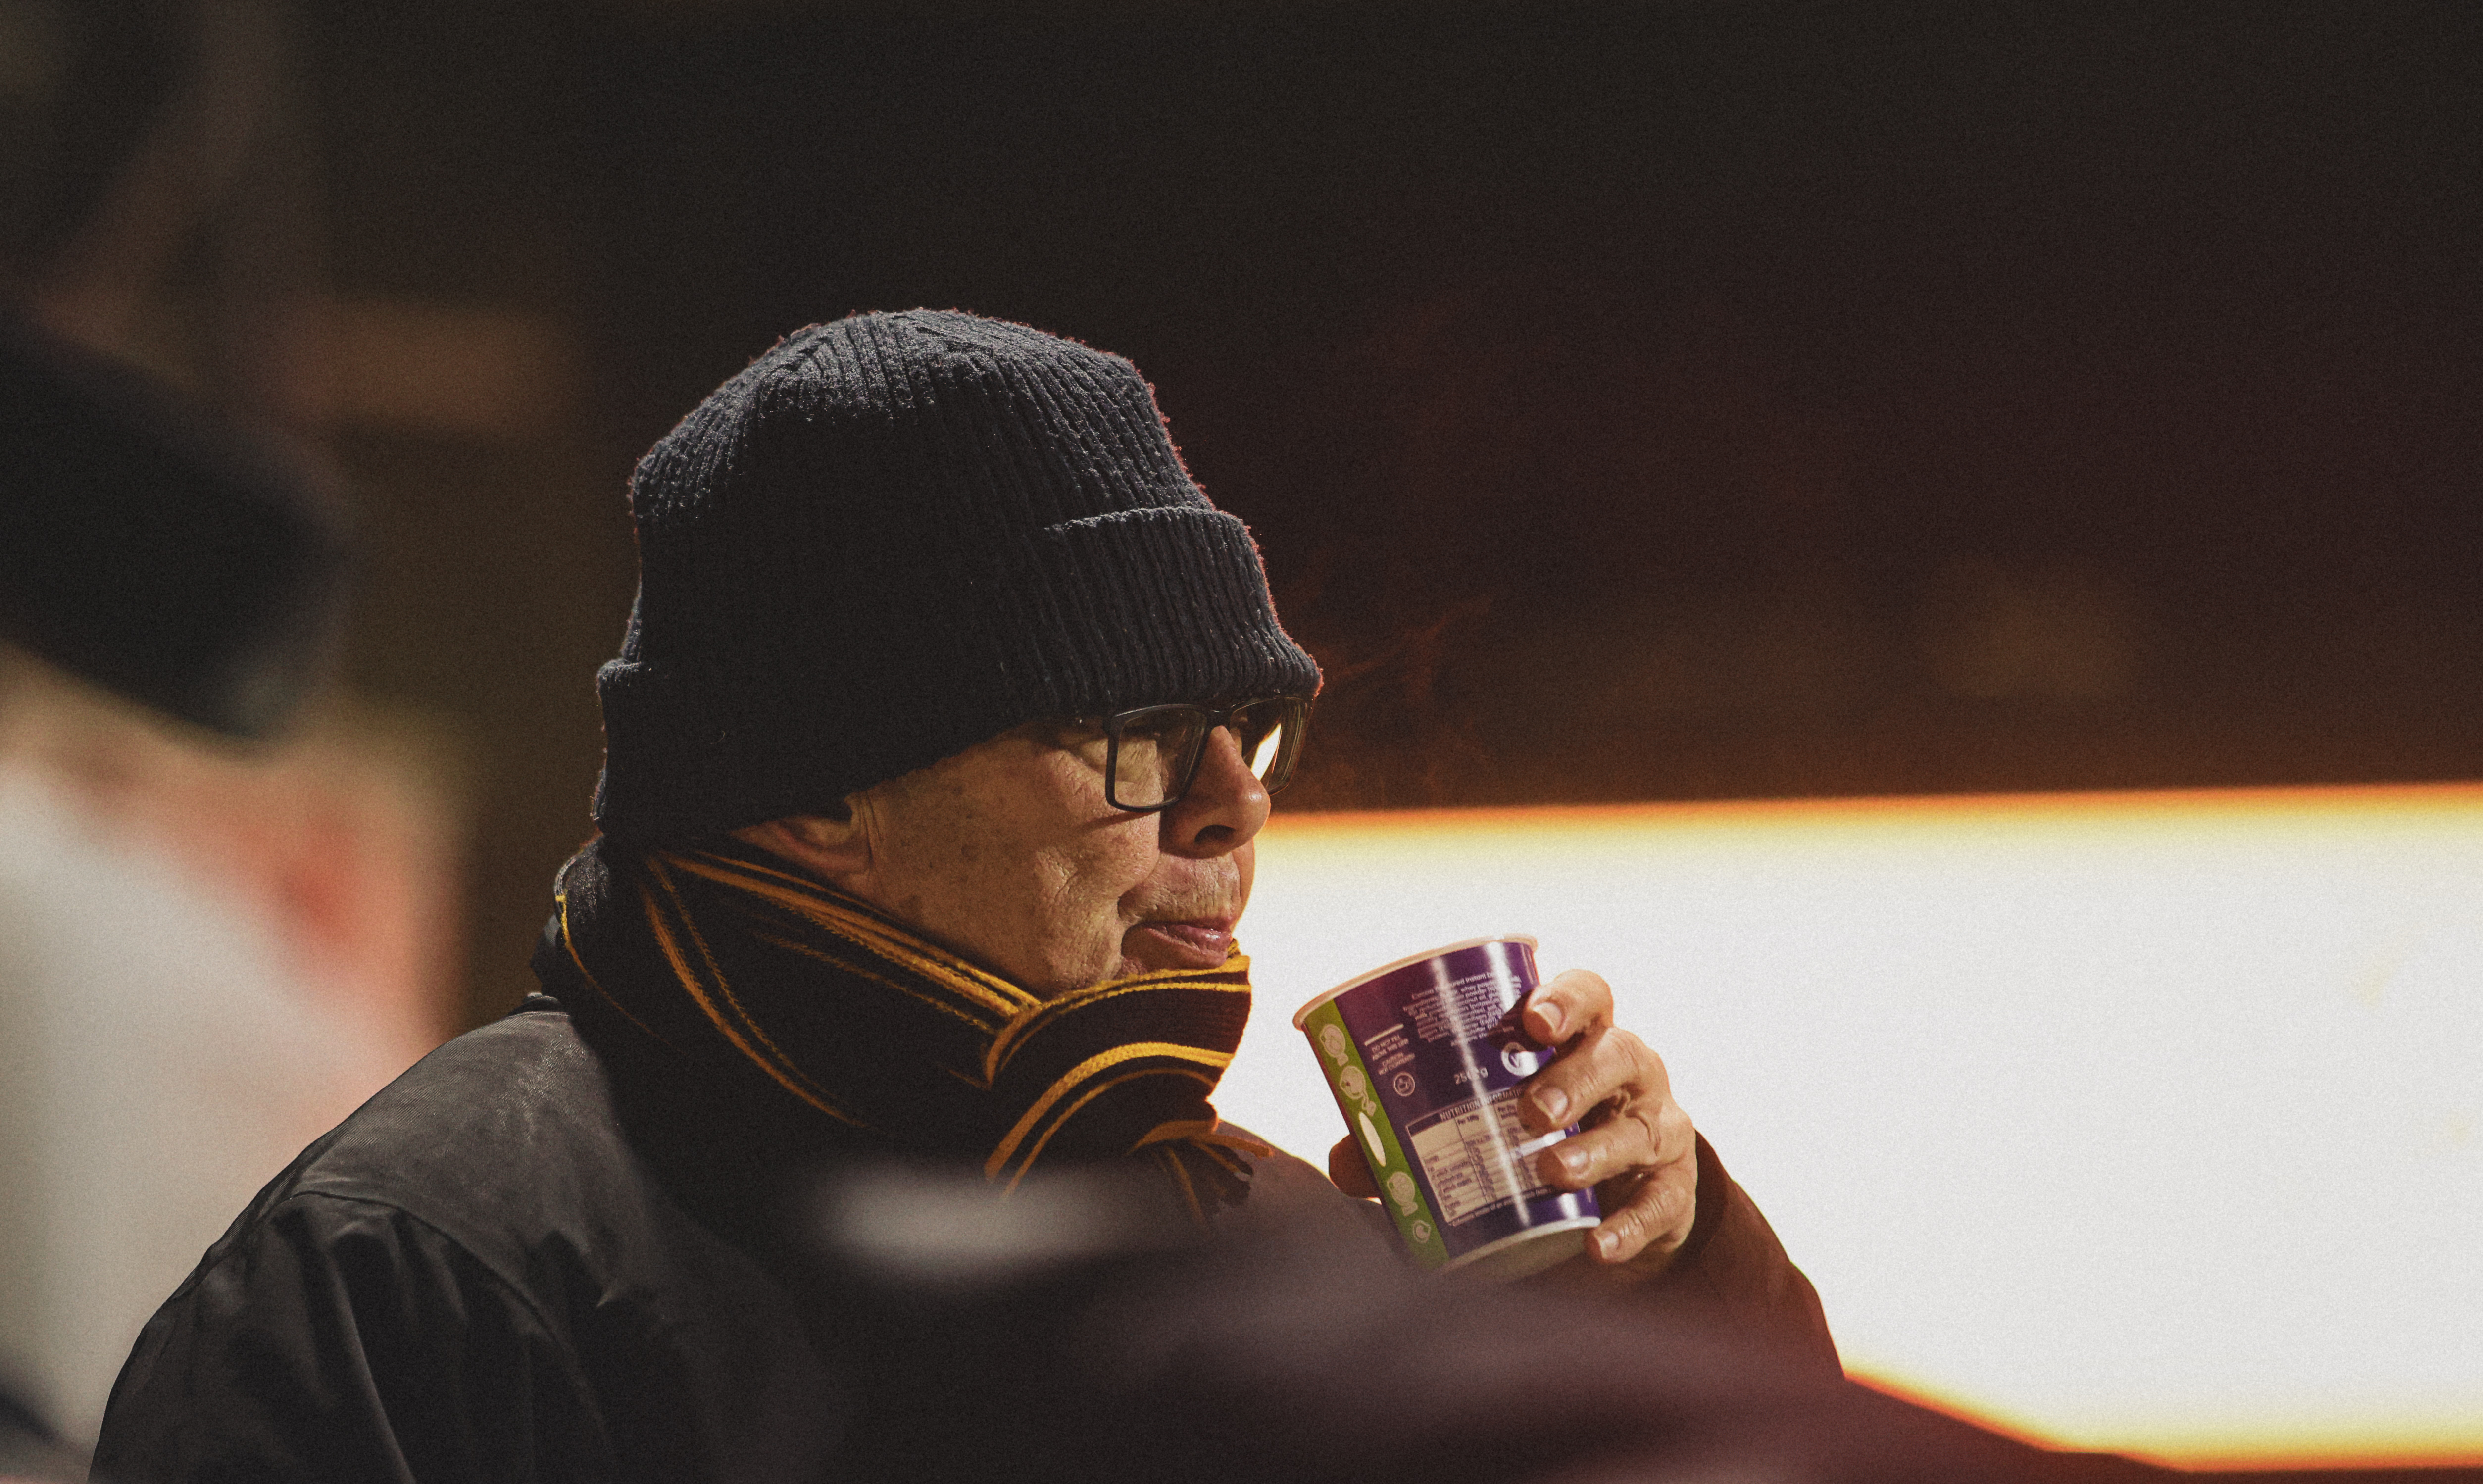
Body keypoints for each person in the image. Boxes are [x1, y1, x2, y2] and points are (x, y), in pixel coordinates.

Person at [93, 310, 1835, 1482]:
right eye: (1141, 737)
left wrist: (1667, 1292)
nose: (1234, 809)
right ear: (826, 796)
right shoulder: (415, 1275)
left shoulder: (1274, 1239)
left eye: (1255, 728)